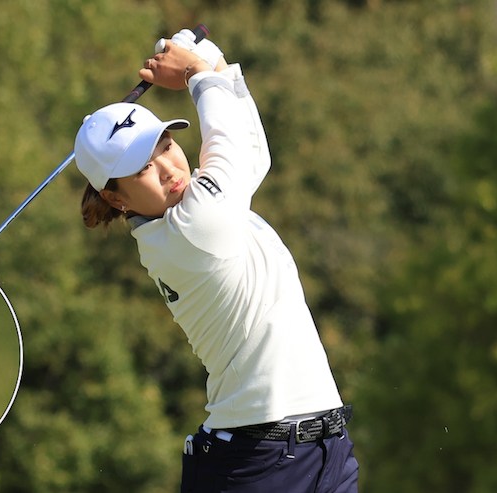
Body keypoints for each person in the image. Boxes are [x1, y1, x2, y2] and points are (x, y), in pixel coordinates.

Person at [74, 29, 359, 493]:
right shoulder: (190, 229)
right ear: (114, 197)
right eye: (143, 168)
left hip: (324, 449)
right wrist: (194, 71)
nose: (169, 168)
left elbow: (250, 151)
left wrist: (213, 60)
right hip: (258, 464)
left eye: (166, 145)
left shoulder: (202, 209)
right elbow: (232, 145)